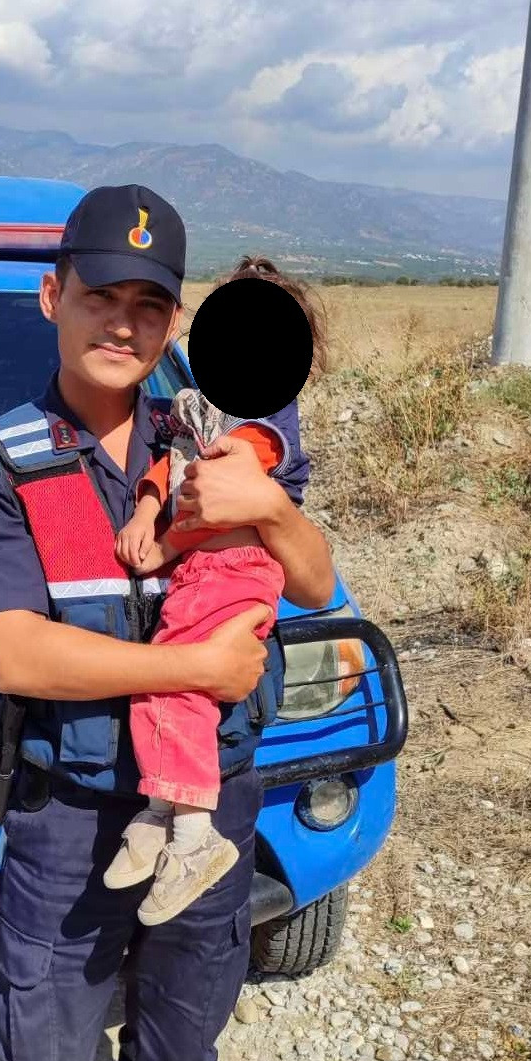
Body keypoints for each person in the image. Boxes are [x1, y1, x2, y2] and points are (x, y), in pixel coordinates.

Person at [0, 185, 335, 1061]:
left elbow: (313, 579)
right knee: (39, 1049)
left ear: (174, 321)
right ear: (52, 296)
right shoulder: (1, 464)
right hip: (73, 812)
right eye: (101, 295)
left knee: (184, 1028)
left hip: (215, 801)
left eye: (149, 305)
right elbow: (15, 653)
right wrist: (194, 665)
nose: (124, 322)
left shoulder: (210, 432)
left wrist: (269, 511)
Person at [106, 266, 328, 927]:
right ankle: (160, 812)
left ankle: (194, 834)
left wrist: (164, 544)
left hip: (234, 569)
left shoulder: (262, 421)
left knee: (179, 686)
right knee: (162, 684)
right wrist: (146, 511)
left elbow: (219, 493)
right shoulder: (197, 408)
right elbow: (169, 468)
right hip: (203, 571)